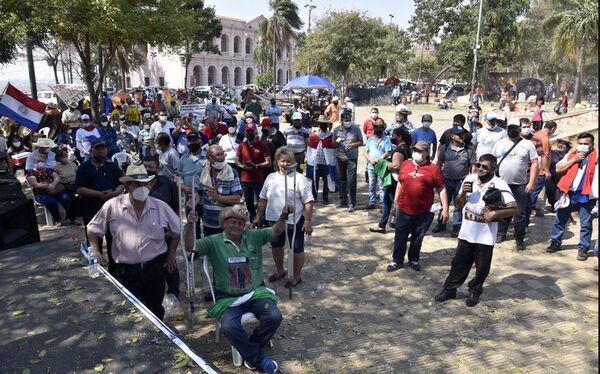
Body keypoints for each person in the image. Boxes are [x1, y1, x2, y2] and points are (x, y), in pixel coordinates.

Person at [184, 204, 287, 373]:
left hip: (255, 293)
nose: (236, 226)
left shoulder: (253, 236)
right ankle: (259, 359)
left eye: (240, 223)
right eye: (232, 221)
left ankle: (251, 352)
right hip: (228, 297)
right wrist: (189, 225)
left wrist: (283, 215)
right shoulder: (213, 241)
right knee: (230, 327)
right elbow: (190, 247)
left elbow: (276, 231)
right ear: (224, 223)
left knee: (274, 316)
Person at [87, 164, 180, 320]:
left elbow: (177, 232)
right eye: (136, 184)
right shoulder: (112, 205)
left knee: (155, 307)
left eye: (144, 184)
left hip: (154, 267)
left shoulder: (160, 207)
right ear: (127, 185)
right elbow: (92, 229)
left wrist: (171, 255)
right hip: (125, 270)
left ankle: (157, 341)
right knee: (131, 312)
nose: (141, 187)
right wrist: (96, 251)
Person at [434, 154, 518, 307]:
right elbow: (459, 204)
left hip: (485, 236)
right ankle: (449, 289)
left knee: (482, 268)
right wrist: (463, 193)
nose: (480, 169)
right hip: (467, 233)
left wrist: (494, 214)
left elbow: (514, 208)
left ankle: (475, 291)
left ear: (493, 168)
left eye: (484, 167)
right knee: (458, 264)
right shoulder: (469, 179)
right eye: (478, 165)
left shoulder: (499, 184)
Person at [253, 147, 314, 288]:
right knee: (276, 246)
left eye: (289, 161)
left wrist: (308, 221)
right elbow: (262, 199)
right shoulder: (271, 177)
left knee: (296, 248)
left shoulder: (299, 179)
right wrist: (258, 217)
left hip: (294, 219)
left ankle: (296, 275)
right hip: (273, 218)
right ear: (277, 162)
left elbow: (308, 201)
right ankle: (280, 270)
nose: (286, 164)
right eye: (283, 161)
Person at [387, 141, 448, 272]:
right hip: (404, 209)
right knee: (400, 236)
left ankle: (414, 259)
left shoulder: (433, 169)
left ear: (427, 154)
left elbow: (441, 188)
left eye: (420, 151)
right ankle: (397, 260)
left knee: (417, 237)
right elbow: (400, 183)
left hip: (423, 211)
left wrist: (445, 208)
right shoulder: (406, 164)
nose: (417, 154)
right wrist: (396, 201)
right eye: (415, 150)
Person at [76, 138, 125, 272]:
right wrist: (99, 194)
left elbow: (122, 183)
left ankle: (114, 269)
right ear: (92, 151)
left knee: (113, 237)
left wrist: (114, 193)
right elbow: (80, 189)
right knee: (92, 237)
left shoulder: (112, 166)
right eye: (97, 148)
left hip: (112, 207)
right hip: (91, 207)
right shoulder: (84, 168)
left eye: (103, 148)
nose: (100, 151)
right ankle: (94, 267)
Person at [547, 133, 597, 260]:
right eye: (580, 143)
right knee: (560, 219)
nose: (583, 146)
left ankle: (583, 248)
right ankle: (555, 241)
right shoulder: (571, 155)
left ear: (592, 145)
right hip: (569, 194)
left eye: (586, 144)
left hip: (588, 197)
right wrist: (574, 160)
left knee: (586, 224)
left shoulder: (597, 158)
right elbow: (558, 169)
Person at [493, 124, 539, 250]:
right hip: (501, 184)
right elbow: (492, 161)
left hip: (519, 185)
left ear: (520, 130)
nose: (513, 131)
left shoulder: (528, 144)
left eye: (516, 129)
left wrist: (531, 182)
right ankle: (501, 233)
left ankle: (519, 238)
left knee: (519, 213)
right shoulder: (499, 143)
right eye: (510, 128)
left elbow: (535, 163)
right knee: (502, 210)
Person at [142, 155, 181, 302]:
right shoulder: (137, 186)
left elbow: (176, 208)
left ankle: (174, 295)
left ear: (158, 168)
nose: (147, 170)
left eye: (150, 167)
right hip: (146, 237)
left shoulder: (168, 183)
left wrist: (174, 227)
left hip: (168, 234)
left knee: (170, 264)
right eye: (145, 167)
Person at [433, 127, 477, 237]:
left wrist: (471, 180)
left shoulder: (469, 149)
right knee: (444, 203)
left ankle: (456, 227)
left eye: (463, 134)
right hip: (446, 180)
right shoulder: (445, 147)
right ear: (452, 136)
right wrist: (437, 178)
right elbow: (439, 163)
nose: (462, 136)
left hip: (461, 181)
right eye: (459, 134)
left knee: (459, 205)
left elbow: (473, 166)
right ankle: (441, 223)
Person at [369, 127, 411, 233]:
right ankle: (382, 225)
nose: (392, 137)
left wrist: (384, 163)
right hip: (396, 180)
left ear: (399, 137)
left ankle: (406, 229)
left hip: (394, 181)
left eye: (393, 136)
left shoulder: (398, 151)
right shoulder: (405, 147)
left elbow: (396, 165)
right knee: (387, 202)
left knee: (396, 204)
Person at [200, 145, 243, 236]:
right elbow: (200, 193)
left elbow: (237, 198)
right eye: (218, 155)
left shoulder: (231, 172)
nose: (221, 157)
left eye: (222, 154)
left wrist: (218, 197)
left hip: (226, 224)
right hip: (208, 223)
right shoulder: (204, 173)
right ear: (208, 158)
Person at [235, 123, 271, 222]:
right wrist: (243, 166)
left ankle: (261, 220)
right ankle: (252, 220)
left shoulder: (262, 145)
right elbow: (237, 160)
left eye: (252, 131)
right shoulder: (242, 146)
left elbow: (269, 162)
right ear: (245, 132)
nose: (250, 133)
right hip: (245, 179)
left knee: (261, 201)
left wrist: (257, 166)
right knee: (249, 202)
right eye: (248, 131)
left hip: (258, 179)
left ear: (255, 132)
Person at [26, 152, 71, 226]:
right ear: (34, 162)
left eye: (42, 161)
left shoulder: (49, 170)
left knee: (66, 198)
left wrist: (53, 184)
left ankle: (71, 216)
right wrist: (48, 186)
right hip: (41, 192)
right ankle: (57, 219)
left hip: (54, 189)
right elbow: (35, 184)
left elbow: (56, 177)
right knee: (51, 202)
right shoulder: (31, 172)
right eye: (38, 161)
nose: (40, 163)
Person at [332, 109, 364, 212]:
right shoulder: (337, 130)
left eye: (349, 119)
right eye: (346, 120)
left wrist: (352, 145)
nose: (348, 121)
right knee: (341, 180)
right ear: (341, 120)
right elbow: (333, 145)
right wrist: (337, 142)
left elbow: (361, 142)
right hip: (340, 157)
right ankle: (343, 201)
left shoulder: (355, 128)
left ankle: (352, 203)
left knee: (351, 180)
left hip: (352, 158)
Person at [526, 120, 557, 220]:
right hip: (540, 170)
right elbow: (545, 156)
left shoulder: (537, 134)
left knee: (531, 192)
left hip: (532, 168)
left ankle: (529, 209)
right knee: (534, 192)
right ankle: (528, 211)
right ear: (552, 129)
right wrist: (546, 170)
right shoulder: (545, 139)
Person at [362, 119, 393, 209]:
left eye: (380, 127)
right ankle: (371, 202)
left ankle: (382, 204)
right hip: (371, 166)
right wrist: (370, 160)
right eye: (376, 127)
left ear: (383, 128)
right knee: (371, 185)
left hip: (382, 166)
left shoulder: (387, 140)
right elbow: (365, 152)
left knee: (382, 186)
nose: (378, 129)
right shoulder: (370, 139)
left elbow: (388, 152)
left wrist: (378, 160)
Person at [306, 116, 336, 204]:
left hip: (326, 162)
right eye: (321, 124)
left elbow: (333, 149)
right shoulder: (314, 136)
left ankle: (325, 197)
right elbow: (310, 149)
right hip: (316, 162)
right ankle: (314, 196)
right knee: (315, 179)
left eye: (325, 124)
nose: (323, 125)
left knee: (326, 180)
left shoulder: (330, 136)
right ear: (319, 125)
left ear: (327, 125)